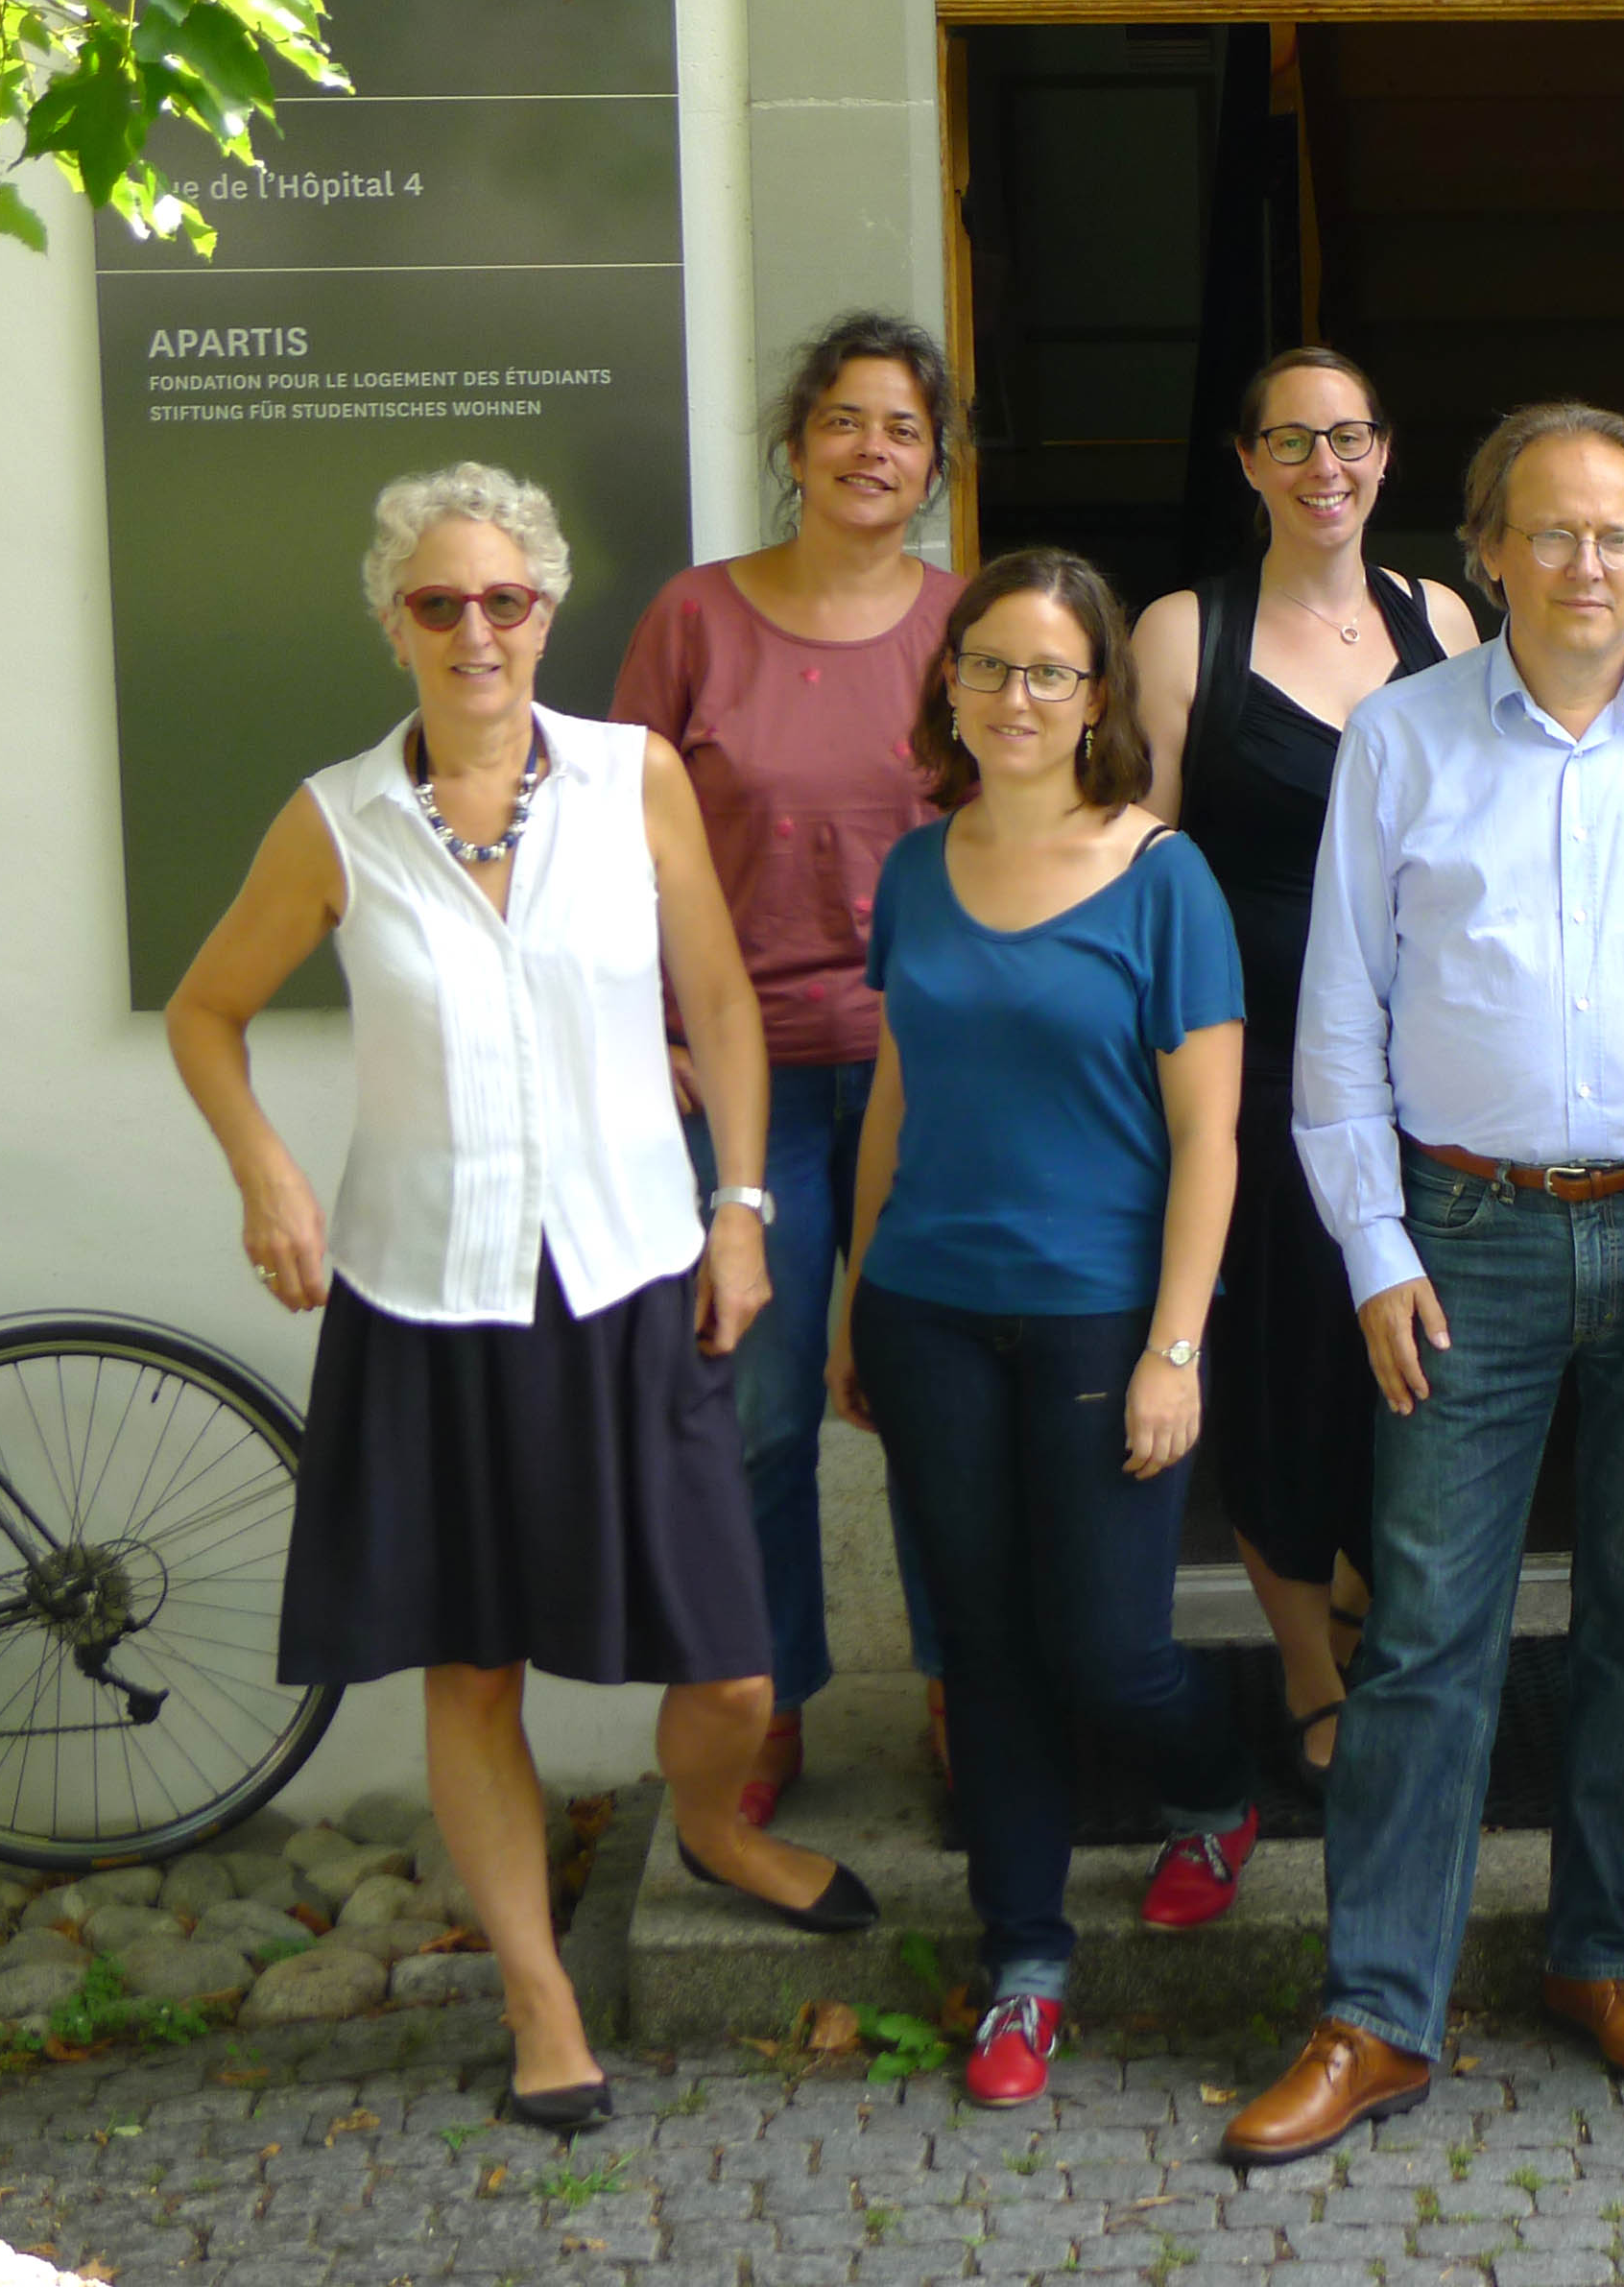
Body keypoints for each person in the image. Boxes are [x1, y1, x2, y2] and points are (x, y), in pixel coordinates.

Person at [167, 465, 877, 2137]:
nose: (475, 629)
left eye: (505, 600)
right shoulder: (333, 820)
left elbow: (718, 993)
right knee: (472, 1668)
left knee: (728, 1664)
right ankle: (540, 1996)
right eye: (439, 603)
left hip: (636, 1269)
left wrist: (744, 1211)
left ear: (549, 610)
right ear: (394, 622)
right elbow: (209, 1012)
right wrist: (267, 1170)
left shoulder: (636, 781)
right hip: (428, 1297)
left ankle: (714, 1821)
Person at [1224, 402, 1624, 2165]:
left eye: (1617, 535)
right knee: (1423, 1639)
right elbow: (1339, 1014)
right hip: (1459, 1241)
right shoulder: (1399, 741)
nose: (1583, 565)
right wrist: (1374, 1247)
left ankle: (1604, 1956)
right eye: (1547, 534)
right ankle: (1376, 2012)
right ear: (1483, 550)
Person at [825, 547, 1263, 2109]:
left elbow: (1209, 1139)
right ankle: (1025, 1961)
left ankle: (1218, 1791)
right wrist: (851, 1297)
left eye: (1051, 673)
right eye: (990, 667)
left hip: (1095, 1320)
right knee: (983, 1650)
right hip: (930, 1307)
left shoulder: (1164, 879)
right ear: (950, 686)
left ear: (1098, 702)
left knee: (1108, 1648)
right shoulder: (919, 869)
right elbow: (895, 1094)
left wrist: (1176, 1348)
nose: (1017, 697)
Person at [612, 310, 967, 1814]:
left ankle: (966, 1692)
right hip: (741, 1083)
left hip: (925, 1079)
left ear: (936, 462)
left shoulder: (970, 626)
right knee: (754, 1404)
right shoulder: (697, 618)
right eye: (843, 420)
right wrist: (638, 1026)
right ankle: (767, 1695)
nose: (870, 450)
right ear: (793, 444)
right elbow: (599, 844)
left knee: (934, 1401)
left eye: (900, 427)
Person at [1136, 347, 1481, 1791]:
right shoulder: (1183, 633)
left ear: (1387, 454)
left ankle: (1382, 1607)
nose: (1323, 465)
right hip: (1263, 1057)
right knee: (1281, 1371)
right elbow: (1141, 858)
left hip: (1432, 1060)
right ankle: (1306, 1669)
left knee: (1408, 1370)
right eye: (1291, 440)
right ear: (1247, 462)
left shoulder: (1448, 618)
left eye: (1349, 436)